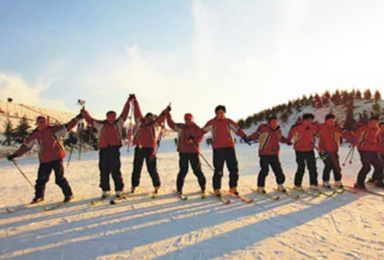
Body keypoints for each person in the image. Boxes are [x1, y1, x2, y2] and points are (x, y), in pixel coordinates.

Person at [7, 114, 82, 204]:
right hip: (45, 160)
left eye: (43, 121)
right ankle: (39, 196)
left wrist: (77, 118)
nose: (42, 123)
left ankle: (68, 194)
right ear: (37, 123)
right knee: (41, 180)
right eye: (40, 122)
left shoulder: (54, 130)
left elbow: (68, 125)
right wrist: (15, 155)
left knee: (59, 179)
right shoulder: (35, 135)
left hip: (57, 157)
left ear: (47, 122)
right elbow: (26, 146)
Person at [83, 96, 133, 199]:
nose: (112, 118)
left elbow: (125, 113)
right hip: (104, 150)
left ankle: (119, 189)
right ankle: (105, 190)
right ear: (107, 117)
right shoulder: (101, 124)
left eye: (113, 116)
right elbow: (90, 120)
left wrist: (128, 101)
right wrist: (84, 112)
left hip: (114, 150)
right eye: (110, 116)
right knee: (104, 170)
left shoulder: (118, 123)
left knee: (116, 170)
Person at [202, 105, 248, 196]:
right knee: (218, 169)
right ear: (216, 114)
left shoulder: (228, 122)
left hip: (230, 148)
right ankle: (217, 189)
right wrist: (193, 138)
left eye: (222, 113)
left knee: (233, 168)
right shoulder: (212, 123)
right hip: (218, 149)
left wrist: (244, 136)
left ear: (224, 113)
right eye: (218, 113)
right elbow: (201, 131)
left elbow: (237, 130)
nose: (220, 114)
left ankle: (233, 187)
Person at [131, 96, 169, 195]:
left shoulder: (155, 125)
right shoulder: (140, 122)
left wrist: (166, 110)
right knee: (136, 168)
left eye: (150, 118)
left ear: (152, 119)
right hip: (139, 148)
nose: (147, 120)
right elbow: (137, 112)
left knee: (151, 168)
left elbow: (161, 116)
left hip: (150, 150)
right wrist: (135, 101)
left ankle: (157, 186)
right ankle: (135, 185)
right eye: (146, 118)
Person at [166, 112, 206, 196]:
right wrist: (168, 115)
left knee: (197, 170)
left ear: (192, 119)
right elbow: (171, 124)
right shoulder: (181, 127)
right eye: (186, 119)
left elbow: (201, 136)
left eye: (189, 119)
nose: (187, 121)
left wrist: (194, 140)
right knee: (183, 170)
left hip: (193, 152)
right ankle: (179, 189)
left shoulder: (196, 128)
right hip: (183, 152)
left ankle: (203, 187)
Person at [247, 116, 289, 193]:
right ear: (269, 122)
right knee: (264, 170)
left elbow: (281, 138)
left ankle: (280, 185)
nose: (275, 124)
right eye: (273, 122)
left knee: (278, 170)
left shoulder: (278, 130)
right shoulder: (264, 129)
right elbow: (256, 134)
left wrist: (287, 141)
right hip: (264, 153)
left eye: (276, 122)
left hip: (274, 153)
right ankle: (260, 187)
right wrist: (249, 138)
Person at [317, 113, 353, 189]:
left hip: (334, 150)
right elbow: (310, 132)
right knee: (328, 165)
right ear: (326, 121)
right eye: (329, 120)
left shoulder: (336, 128)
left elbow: (345, 134)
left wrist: (353, 140)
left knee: (336, 165)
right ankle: (325, 181)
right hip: (323, 150)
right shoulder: (321, 127)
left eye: (333, 120)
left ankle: (337, 180)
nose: (331, 122)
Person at [287, 113, 319, 190]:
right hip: (299, 150)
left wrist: (312, 143)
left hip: (309, 150)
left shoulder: (313, 127)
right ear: (303, 120)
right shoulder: (297, 127)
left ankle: (313, 183)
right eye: (307, 120)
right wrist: (289, 141)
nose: (309, 122)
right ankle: (297, 184)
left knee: (312, 167)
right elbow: (290, 135)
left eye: (311, 120)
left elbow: (314, 135)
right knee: (301, 167)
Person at [352, 116, 384, 188]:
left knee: (379, 165)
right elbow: (357, 138)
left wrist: (378, 147)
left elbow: (379, 140)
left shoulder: (377, 130)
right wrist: (355, 142)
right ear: (369, 122)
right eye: (372, 123)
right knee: (367, 167)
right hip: (364, 150)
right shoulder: (363, 130)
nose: (374, 124)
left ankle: (378, 180)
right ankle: (359, 182)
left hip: (374, 150)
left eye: (376, 123)